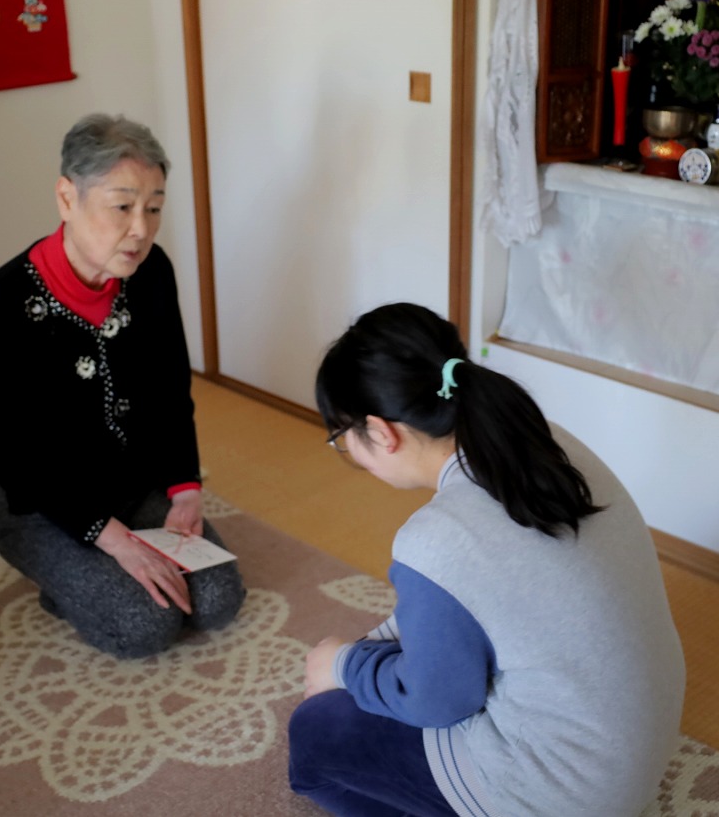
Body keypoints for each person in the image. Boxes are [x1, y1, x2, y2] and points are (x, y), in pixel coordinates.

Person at [288, 303, 685, 817]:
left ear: (382, 432)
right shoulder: (543, 440)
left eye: (342, 441)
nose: (350, 454)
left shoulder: (438, 538)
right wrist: (366, 651)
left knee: (318, 728)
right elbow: (476, 597)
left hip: (566, 794)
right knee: (376, 675)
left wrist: (343, 666)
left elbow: (435, 701)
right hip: (634, 757)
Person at [0, 113, 245, 659]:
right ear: (67, 198)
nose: (140, 229)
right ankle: (62, 582)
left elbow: (170, 390)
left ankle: (92, 573)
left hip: (132, 483)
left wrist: (185, 489)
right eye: (122, 206)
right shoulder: (0, 306)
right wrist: (115, 542)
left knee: (217, 599)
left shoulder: (152, 273)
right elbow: (15, 456)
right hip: (37, 503)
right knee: (145, 625)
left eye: (154, 208)